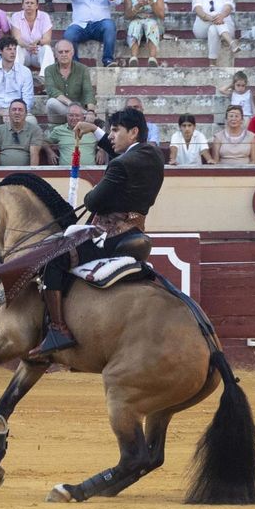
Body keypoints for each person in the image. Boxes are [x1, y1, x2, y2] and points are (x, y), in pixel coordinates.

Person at [34, 106, 165, 355]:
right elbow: (119, 151)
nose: (111, 136)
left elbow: (93, 202)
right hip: (135, 229)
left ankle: (58, 329)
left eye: (116, 130)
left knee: (54, 258)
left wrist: (97, 189)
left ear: (134, 132)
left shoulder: (120, 165)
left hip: (111, 235)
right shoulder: (153, 154)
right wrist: (94, 129)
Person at [60, 0, 123, 67]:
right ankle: (75, 65)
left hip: (100, 25)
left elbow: (117, 0)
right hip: (80, 26)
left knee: (109, 25)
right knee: (69, 35)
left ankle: (108, 60)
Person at [0, 35, 36, 140]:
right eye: (9, 49)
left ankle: (23, 153)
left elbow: (28, 99)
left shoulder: (25, 72)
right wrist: (0, 111)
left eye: (14, 49)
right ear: (0, 51)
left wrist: (14, 111)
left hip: (18, 108)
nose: (13, 52)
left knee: (31, 121)